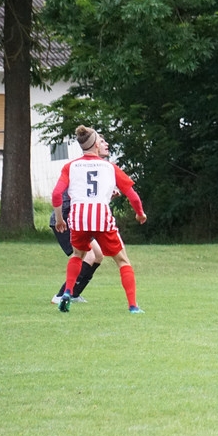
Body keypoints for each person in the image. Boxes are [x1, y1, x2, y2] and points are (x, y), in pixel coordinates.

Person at [51, 125, 148, 314]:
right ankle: (133, 306)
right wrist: (140, 213)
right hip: (101, 217)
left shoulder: (70, 166)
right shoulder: (109, 167)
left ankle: (67, 293)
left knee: (78, 256)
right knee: (122, 261)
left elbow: (56, 194)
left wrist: (60, 219)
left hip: (78, 218)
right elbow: (133, 196)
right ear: (96, 144)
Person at [49, 133, 110, 305]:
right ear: (95, 145)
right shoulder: (80, 166)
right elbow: (59, 195)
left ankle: (74, 294)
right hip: (68, 218)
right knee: (89, 255)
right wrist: (60, 219)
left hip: (81, 220)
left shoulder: (102, 167)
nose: (106, 144)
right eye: (102, 141)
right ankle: (62, 295)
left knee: (98, 255)